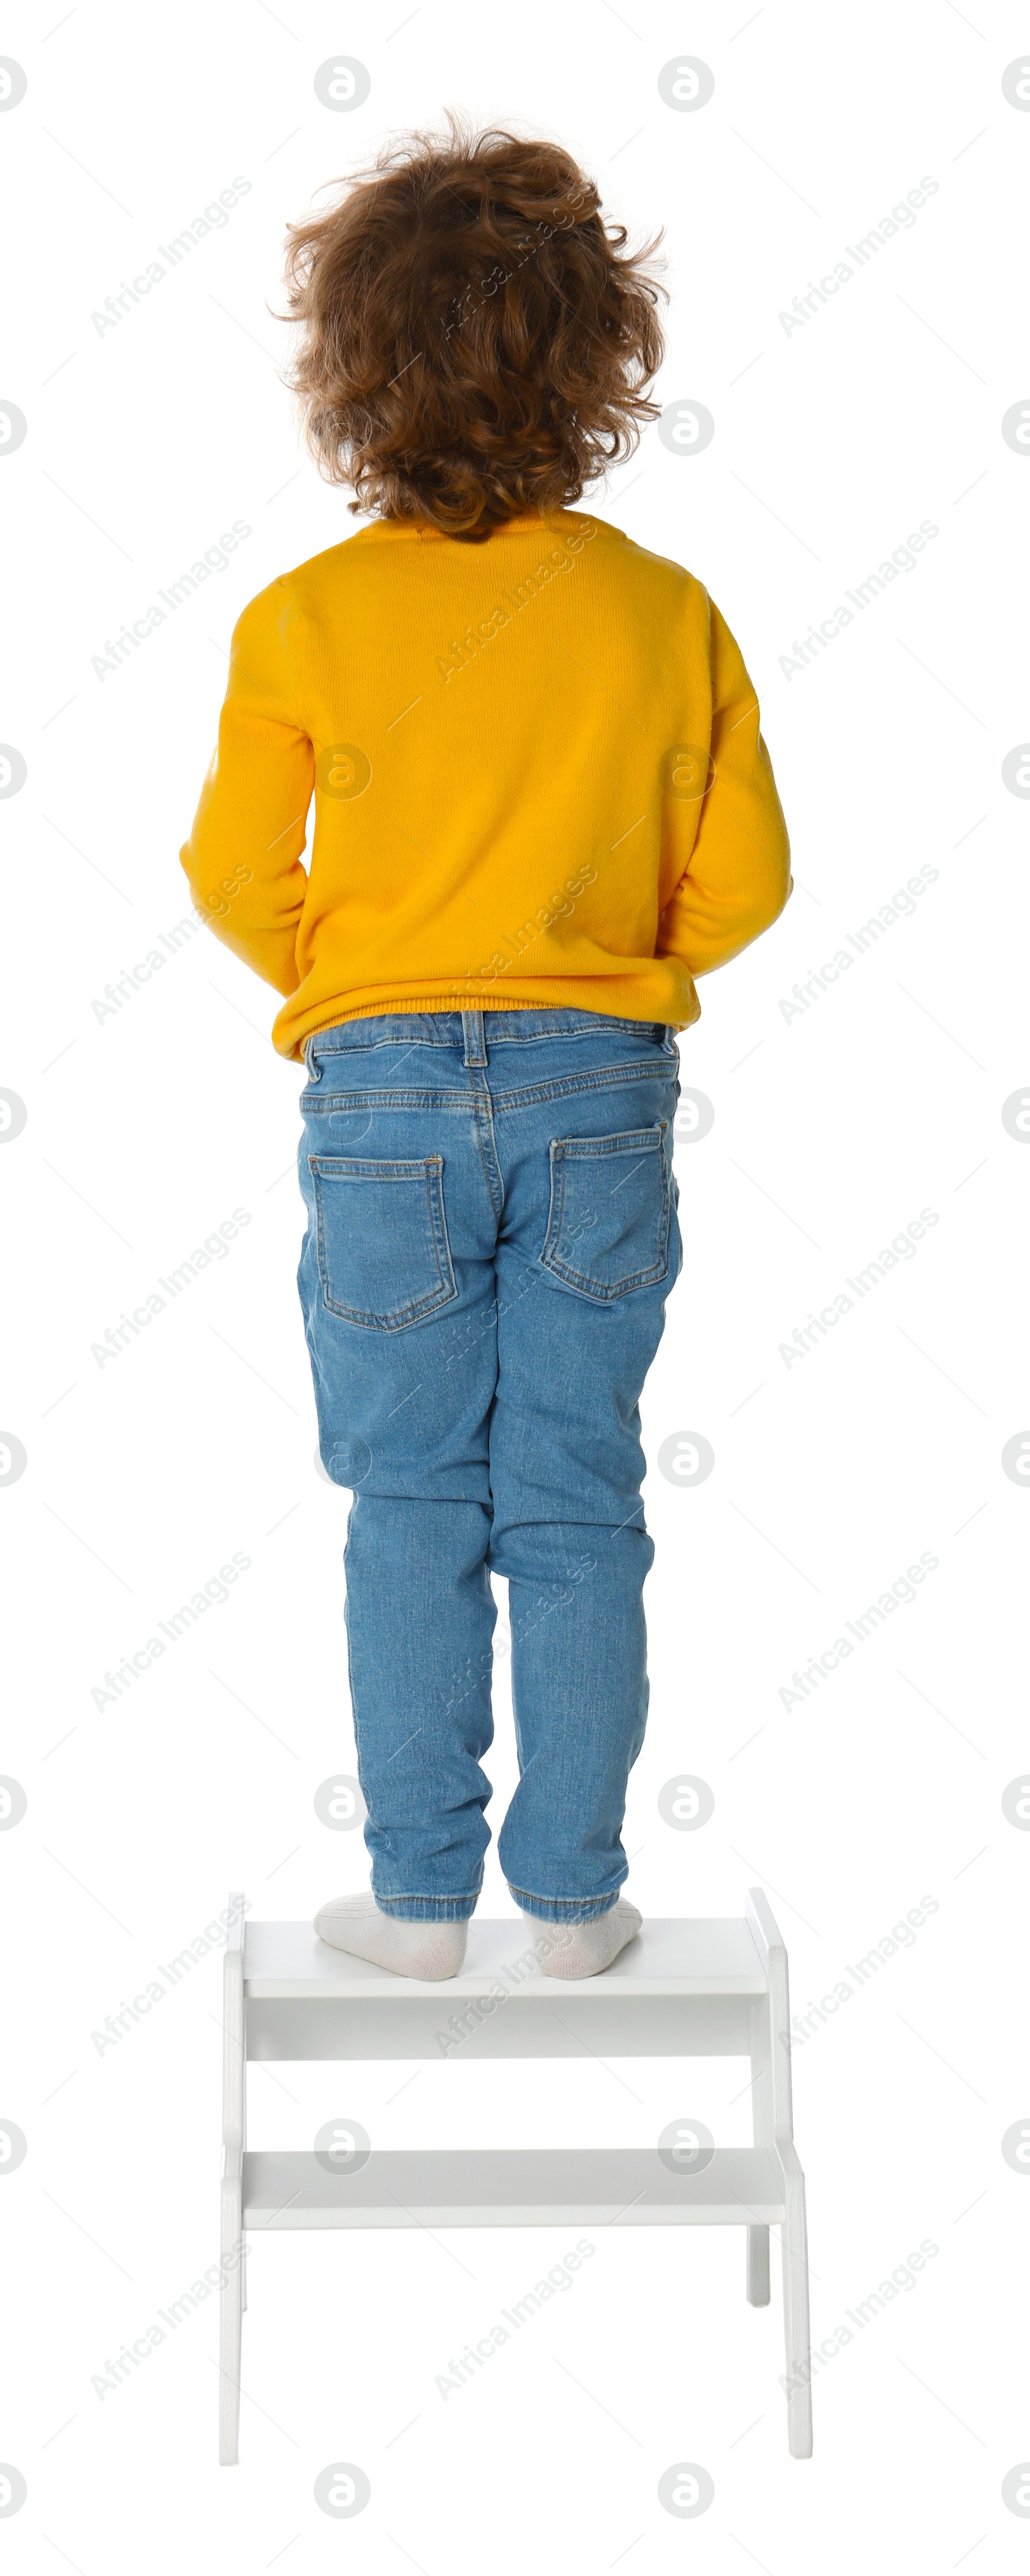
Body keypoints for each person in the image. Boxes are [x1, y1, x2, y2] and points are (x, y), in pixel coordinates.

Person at [180, 115, 791, 1983]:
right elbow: (748, 879)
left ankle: (422, 1901)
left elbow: (227, 869)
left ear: (350, 372)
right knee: (576, 1493)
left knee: (411, 1495)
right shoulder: (660, 614)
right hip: (598, 1087)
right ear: (603, 361)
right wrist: (614, 966)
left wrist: (351, 973)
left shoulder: (304, 621)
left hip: (374, 1104)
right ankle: (583, 1897)